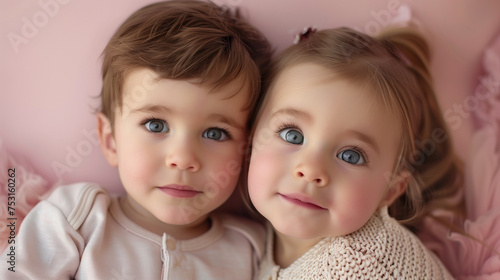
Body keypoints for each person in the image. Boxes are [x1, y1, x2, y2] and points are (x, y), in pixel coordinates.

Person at [1, 1, 271, 279]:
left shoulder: (252, 248)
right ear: (110, 140)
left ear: (246, 149)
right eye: (156, 125)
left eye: (215, 133)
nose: (183, 158)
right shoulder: (74, 216)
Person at [247, 26, 464, 279]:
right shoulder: (262, 235)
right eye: (292, 135)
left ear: (390, 190)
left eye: (351, 155)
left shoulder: (358, 266)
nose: (311, 169)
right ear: (250, 135)